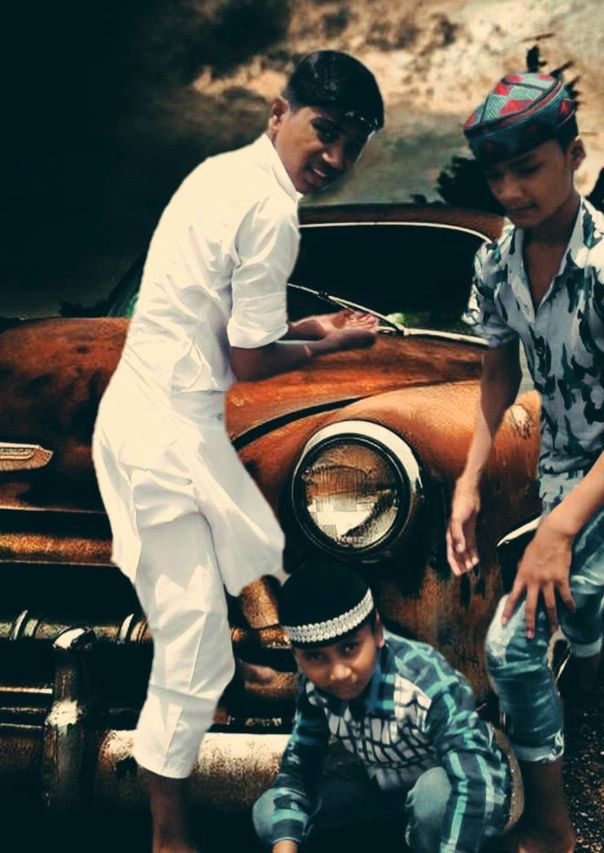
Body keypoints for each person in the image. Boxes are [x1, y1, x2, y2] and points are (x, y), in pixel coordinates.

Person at [92, 51, 384, 853]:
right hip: (166, 432)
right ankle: (171, 837)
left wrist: (308, 326)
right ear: (278, 112)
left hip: (156, 417)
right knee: (192, 638)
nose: (335, 157)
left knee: (259, 563)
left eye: (352, 146)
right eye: (326, 131)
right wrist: (334, 345)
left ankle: (282, 699)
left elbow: (220, 329)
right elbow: (250, 362)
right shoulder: (272, 209)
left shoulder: (217, 177)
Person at [447, 71, 604, 852]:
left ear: (574, 153)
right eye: (496, 175)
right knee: (580, 607)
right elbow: (497, 377)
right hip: (561, 466)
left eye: (527, 168)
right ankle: (589, 681)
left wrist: (557, 530)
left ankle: (551, 828)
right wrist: (468, 480)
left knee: (513, 644)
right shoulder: (496, 263)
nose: (509, 191)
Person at [252, 562, 522, 852]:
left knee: (435, 802)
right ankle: (400, 830)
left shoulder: (425, 681)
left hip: (471, 782)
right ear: (298, 657)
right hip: (384, 779)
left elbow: (474, 782)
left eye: (349, 648)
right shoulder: (314, 686)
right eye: (316, 657)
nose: (338, 673)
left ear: (378, 632)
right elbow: (299, 769)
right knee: (269, 813)